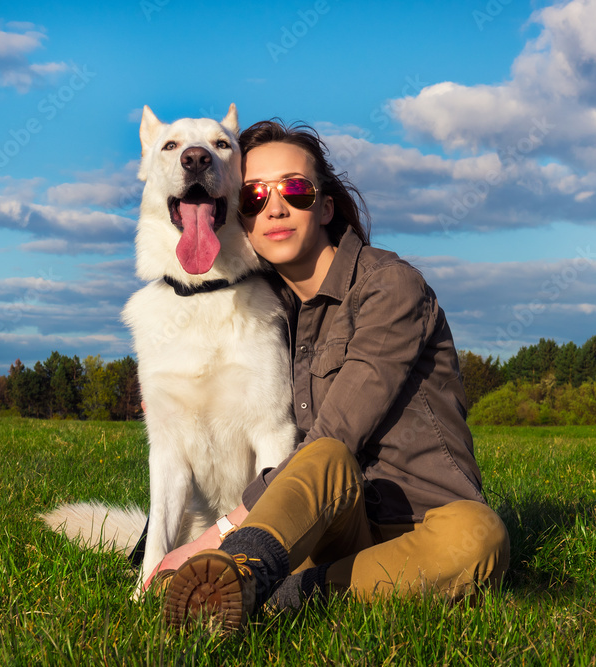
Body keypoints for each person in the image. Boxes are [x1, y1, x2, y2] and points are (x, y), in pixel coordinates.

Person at [149, 119, 510, 633]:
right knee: (323, 458)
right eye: (253, 197)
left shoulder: (390, 287)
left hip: (430, 526)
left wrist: (215, 536)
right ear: (240, 217)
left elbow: (341, 427)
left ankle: (276, 592)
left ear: (325, 205)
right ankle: (255, 572)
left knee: (481, 534)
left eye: (295, 190)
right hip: (334, 527)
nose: (275, 207)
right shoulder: (270, 315)